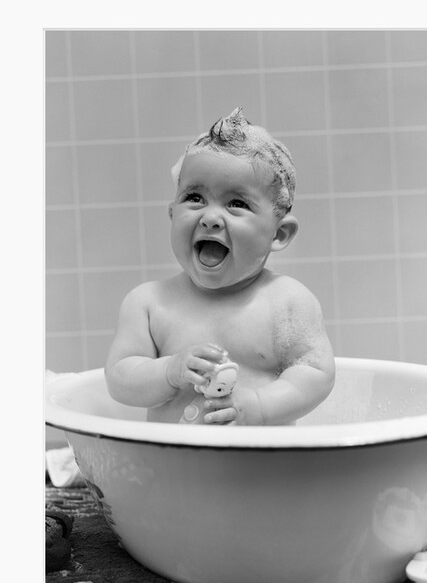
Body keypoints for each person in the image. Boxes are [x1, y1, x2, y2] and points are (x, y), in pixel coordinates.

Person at [105, 107, 335, 425]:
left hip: (267, 467)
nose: (210, 217)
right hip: (173, 469)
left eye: (236, 203)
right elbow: (120, 379)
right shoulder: (148, 303)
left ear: (278, 234)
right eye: (195, 197)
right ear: (173, 214)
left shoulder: (287, 302)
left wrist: (257, 406)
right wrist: (169, 371)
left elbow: (314, 374)